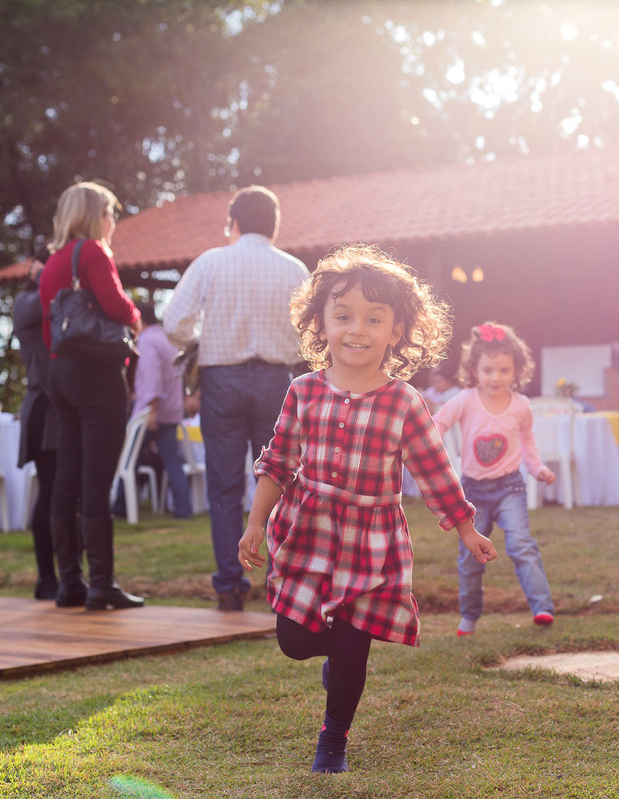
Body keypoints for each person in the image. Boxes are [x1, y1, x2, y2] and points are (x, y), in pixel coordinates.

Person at [236, 244, 498, 774]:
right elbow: (279, 461)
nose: (357, 328)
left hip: (369, 541)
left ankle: (334, 738)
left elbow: (434, 470)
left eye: (374, 319)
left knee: (353, 644)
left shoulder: (404, 402)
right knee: (295, 641)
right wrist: (255, 522)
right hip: (307, 531)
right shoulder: (302, 391)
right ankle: (340, 660)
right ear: (322, 323)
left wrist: (466, 529)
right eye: (344, 315)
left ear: (396, 332)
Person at [163, 185, 310, 611]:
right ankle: (282, 585)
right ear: (274, 225)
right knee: (281, 482)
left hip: (221, 381)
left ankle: (229, 586)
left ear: (235, 221)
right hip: (277, 383)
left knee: (224, 489)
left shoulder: (211, 261)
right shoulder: (294, 268)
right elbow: (312, 334)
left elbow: (174, 322)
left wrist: (198, 341)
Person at [39, 181, 144, 611]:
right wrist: (137, 316)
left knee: (67, 475)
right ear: (94, 215)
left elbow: (50, 327)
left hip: (59, 373)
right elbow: (118, 307)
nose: (113, 221)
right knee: (97, 479)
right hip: (97, 373)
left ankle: (70, 584)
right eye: (110, 212)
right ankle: (101, 584)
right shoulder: (94, 253)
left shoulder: (51, 263)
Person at [432, 321, 558, 636]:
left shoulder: (521, 406)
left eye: (504, 370)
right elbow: (438, 423)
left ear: (516, 370)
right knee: (469, 560)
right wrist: (427, 452)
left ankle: (542, 608)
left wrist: (537, 468)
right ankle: (469, 617)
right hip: (472, 492)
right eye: (488, 370)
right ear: (475, 369)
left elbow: (528, 443)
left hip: (510, 488)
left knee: (521, 545)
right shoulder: (465, 399)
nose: (496, 378)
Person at [12, 247, 67, 599]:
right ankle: (47, 578)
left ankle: (64, 576)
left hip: (63, 406)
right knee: (50, 491)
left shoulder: (55, 302)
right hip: (44, 407)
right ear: (33, 266)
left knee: (64, 493)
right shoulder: (27, 302)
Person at [131, 302, 192, 518]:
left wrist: (152, 409)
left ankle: (121, 505)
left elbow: (152, 378)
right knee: (172, 460)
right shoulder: (167, 339)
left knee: (129, 458)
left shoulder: (147, 341)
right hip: (172, 410)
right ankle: (184, 509)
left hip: (152, 413)